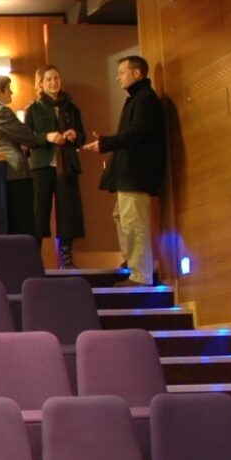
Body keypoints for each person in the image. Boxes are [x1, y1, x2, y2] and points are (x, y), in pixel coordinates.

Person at [81, 55, 166, 287]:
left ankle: (140, 275)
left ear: (137, 73)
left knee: (134, 222)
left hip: (136, 174)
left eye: (122, 72)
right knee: (122, 217)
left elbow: (138, 133)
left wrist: (107, 143)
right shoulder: (137, 98)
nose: (118, 77)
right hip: (129, 174)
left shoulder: (144, 99)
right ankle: (132, 261)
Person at [24, 65, 86, 268]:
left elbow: (82, 136)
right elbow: (27, 138)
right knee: (39, 211)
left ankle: (67, 258)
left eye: (56, 78)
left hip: (66, 164)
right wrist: (47, 137)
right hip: (42, 165)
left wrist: (74, 135)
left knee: (68, 210)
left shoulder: (72, 107)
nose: (53, 83)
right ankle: (34, 257)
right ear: (41, 83)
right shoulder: (33, 108)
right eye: (49, 79)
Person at [0, 74, 40, 236]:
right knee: (24, 224)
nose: (11, 93)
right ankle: (28, 260)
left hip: (3, 174)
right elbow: (29, 137)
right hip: (16, 173)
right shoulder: (2, 112)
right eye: (9, 89)